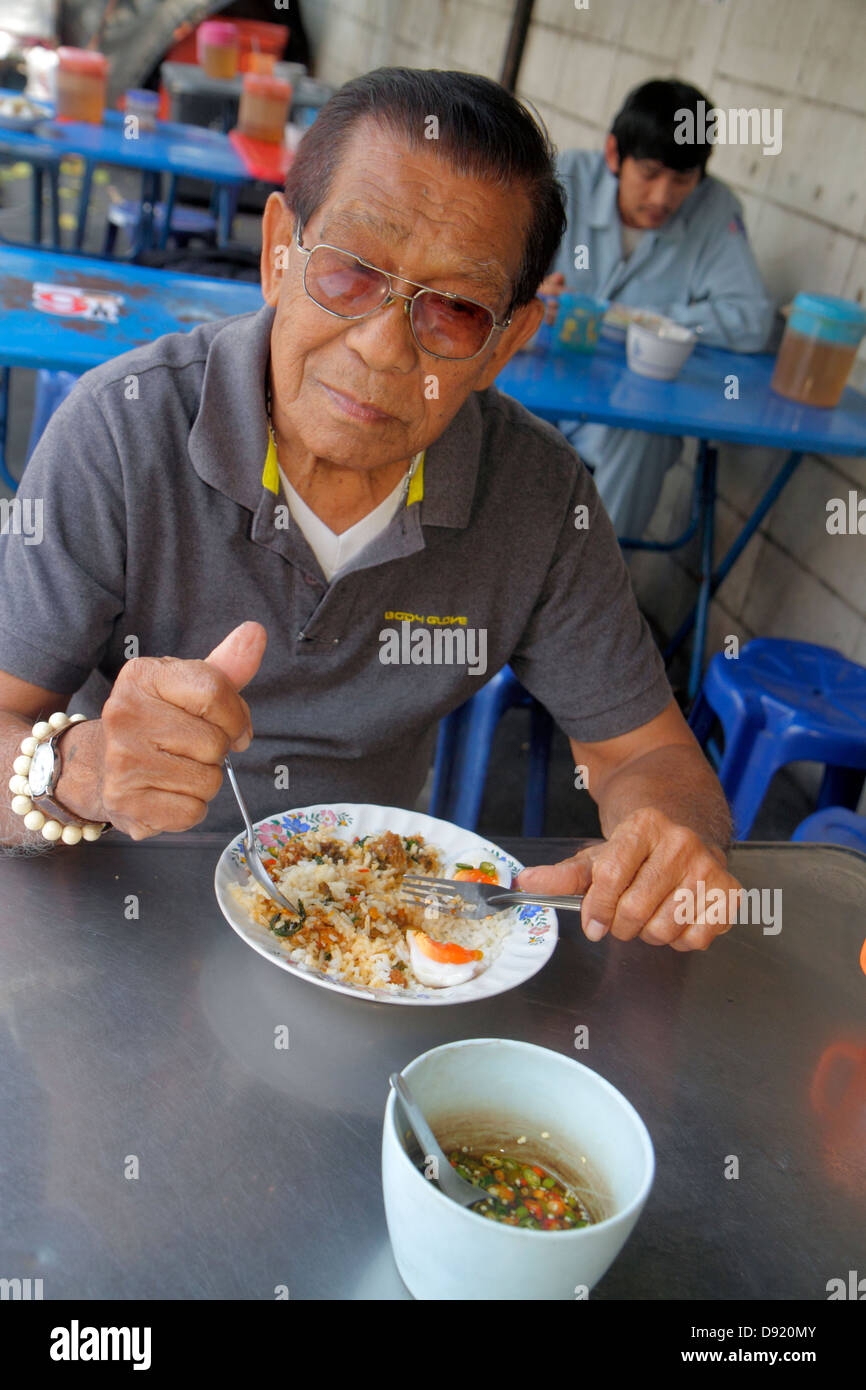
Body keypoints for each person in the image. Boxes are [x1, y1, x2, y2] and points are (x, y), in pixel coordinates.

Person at [0, 68, 742, 951]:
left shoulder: (539, 499)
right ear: (279, 252)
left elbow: (647, 756)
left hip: (365, 933)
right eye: (350, 272)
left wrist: (669, 842)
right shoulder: (120, 433)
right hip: (111, 899)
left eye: (456, 311)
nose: (385, 346)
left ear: (509, 341)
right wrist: (74, 769)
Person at [540, 78, 775, 540]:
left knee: (646, 430)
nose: (663, 197)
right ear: (613, 155)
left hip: (627, 407)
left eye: (682, 180)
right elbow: (494, 271)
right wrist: (530, 291)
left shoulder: (714, 210)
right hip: (539, 384)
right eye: (649, 173)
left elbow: (751, 320)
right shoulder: (564, 180)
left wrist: (636, 322)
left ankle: (593, 595)